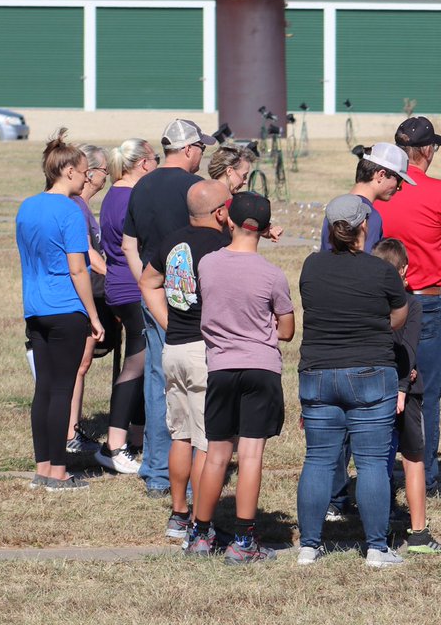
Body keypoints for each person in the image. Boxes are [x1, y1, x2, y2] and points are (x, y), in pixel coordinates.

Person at [296, 193, 409, 569]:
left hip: (317, 374)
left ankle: (309, 547)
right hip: (371, 373)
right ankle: (376, 549)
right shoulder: (382, 271)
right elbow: (399, 316)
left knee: (318, 460)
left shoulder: (311, 266)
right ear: (364, 227)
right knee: (373, 463)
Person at [186, 193, 295, 564]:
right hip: (261, 368)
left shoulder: (208, 265)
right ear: (265, 229)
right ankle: (244, 540)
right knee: (251, 455)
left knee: (217, 454)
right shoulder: (272, 274)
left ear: (227, 220)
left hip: (220, 367)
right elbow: (287, 329)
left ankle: (200, 533)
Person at [375, 116, 441, 495]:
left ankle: (382, 468)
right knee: (427, 392)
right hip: (429, 300)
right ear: (428, 150)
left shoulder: (383, 189)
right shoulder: (439, 192)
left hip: (387, 300)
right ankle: (427, 475)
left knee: (385, 385)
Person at [122, 118, 216, 497]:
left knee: (159, 379)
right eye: (202, 150)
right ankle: (194, 472)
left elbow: (129, 245)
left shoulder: (141, 185)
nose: (202, 157)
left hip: (156, 295)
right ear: (190, 149)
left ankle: (158, 469)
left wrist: (149, 286)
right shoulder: (198, 189)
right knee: (197, 385)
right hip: (194, 302)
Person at [139, 180, 231, 542]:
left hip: (174, 348)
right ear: (221, 212)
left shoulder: (173, 240)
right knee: (208, 441)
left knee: (181, 436)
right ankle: (199, 520)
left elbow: (148, 282)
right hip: (204, 352)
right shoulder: (222, 246)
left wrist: (168, 322)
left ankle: (178, 514)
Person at [15, 129, 106, 492]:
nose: (87, 178)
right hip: (67, 309)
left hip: (35, 308)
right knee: (62, 390)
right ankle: (58, 472)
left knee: (44, 390)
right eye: (85, 172)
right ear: (67, 171)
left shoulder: (27, 206)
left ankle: (43, 467)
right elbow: (77, 268)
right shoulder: (70, 210)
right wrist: (94, 315)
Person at [374, 237, 441, 554]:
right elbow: (409, 349)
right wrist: (403, 385)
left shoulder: (366, 305)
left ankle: (378, 526)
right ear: (403, 270)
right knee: (413, 459)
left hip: (373, 387)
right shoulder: (412, 305)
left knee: (376, 459)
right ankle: (418, 532)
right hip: (405, 393)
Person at [96, 138, 157, 474]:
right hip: (131, 287)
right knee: (136, 364)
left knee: (143, 362)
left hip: (122, 285)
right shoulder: (132, 196)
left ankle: (134, 438)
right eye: (156, 158)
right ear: (143, 163)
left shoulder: (115, 193)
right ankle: (114, 445)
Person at [64, 143, 111, 458]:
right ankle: (68, 433)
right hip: (79, 296)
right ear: (90, 173)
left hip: (89, 294)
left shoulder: (83, 205)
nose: (107, 175)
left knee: (81, 365)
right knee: (77, 366)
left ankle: (72, 429)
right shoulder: (76, 206)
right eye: (105, 170)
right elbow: (87, 254)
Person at [319, 144, 401, 254]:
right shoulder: (369, 216)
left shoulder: (334, 209)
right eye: (399, 180)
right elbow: (367, 265)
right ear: (381, 175)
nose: (399, 188)